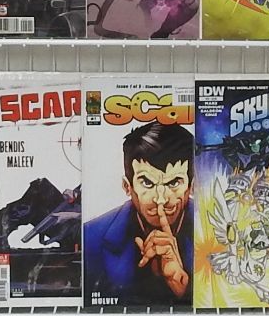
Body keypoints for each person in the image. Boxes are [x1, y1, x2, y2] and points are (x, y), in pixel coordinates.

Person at [82, 119, 194, 306]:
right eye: (147, 183)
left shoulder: (219, 232)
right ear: (127, 186)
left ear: (192, 185)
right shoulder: (91, 237)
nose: (160, 199)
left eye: (174, 183)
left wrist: (183, 287)